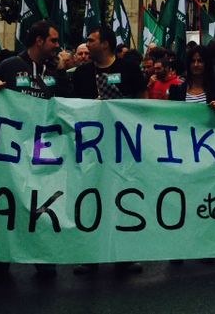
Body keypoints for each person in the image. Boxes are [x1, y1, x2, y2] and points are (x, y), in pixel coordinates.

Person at [0, 20, 71, 278]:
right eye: (54, 40)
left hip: (44, 150)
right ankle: (2, 258)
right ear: (39, 41)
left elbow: (66, 107)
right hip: (13, 151)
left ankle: (44, 258)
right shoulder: (10, 66)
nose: (57, 46)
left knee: (44, 202)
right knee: (11, 200)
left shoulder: (55, 71)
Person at [71, 26, 146, 275]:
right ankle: (90, 255)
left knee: (121, 198)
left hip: (122, 147)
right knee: (91, 199)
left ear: (105, 44)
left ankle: (123, 255)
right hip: (92, 149)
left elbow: (143, 102)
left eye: (91, 40)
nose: (86, 44)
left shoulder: (129, 69)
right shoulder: (82, 74)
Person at [169, 45, 215, 109]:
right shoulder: (178, 90)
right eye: (193, 61)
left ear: (206, 63)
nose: (196, 65)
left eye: (200, 61)